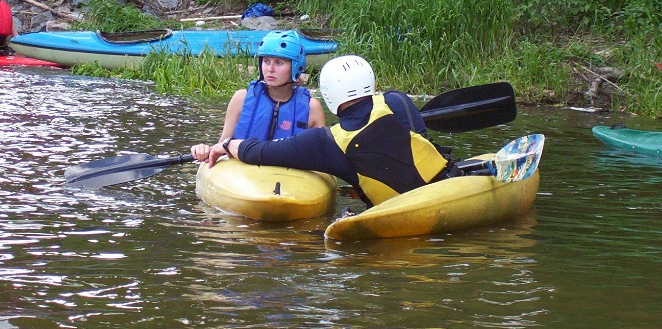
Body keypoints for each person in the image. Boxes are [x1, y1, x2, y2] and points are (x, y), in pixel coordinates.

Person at [191, 55, 460, 207]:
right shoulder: (397, 101)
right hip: (451, 187)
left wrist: (226, 145)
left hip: (403, 209)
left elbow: (260, 151)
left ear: (330, 93)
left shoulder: (326, 142)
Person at [190, 30, 326, 152]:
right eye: (266, 61)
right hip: (244, 172)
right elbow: (221, 145)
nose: (270, 69)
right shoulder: (241, 98)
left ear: (296, 67)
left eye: (279, 63)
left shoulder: (312, 108)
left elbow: (321, 157)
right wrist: (204, 150)